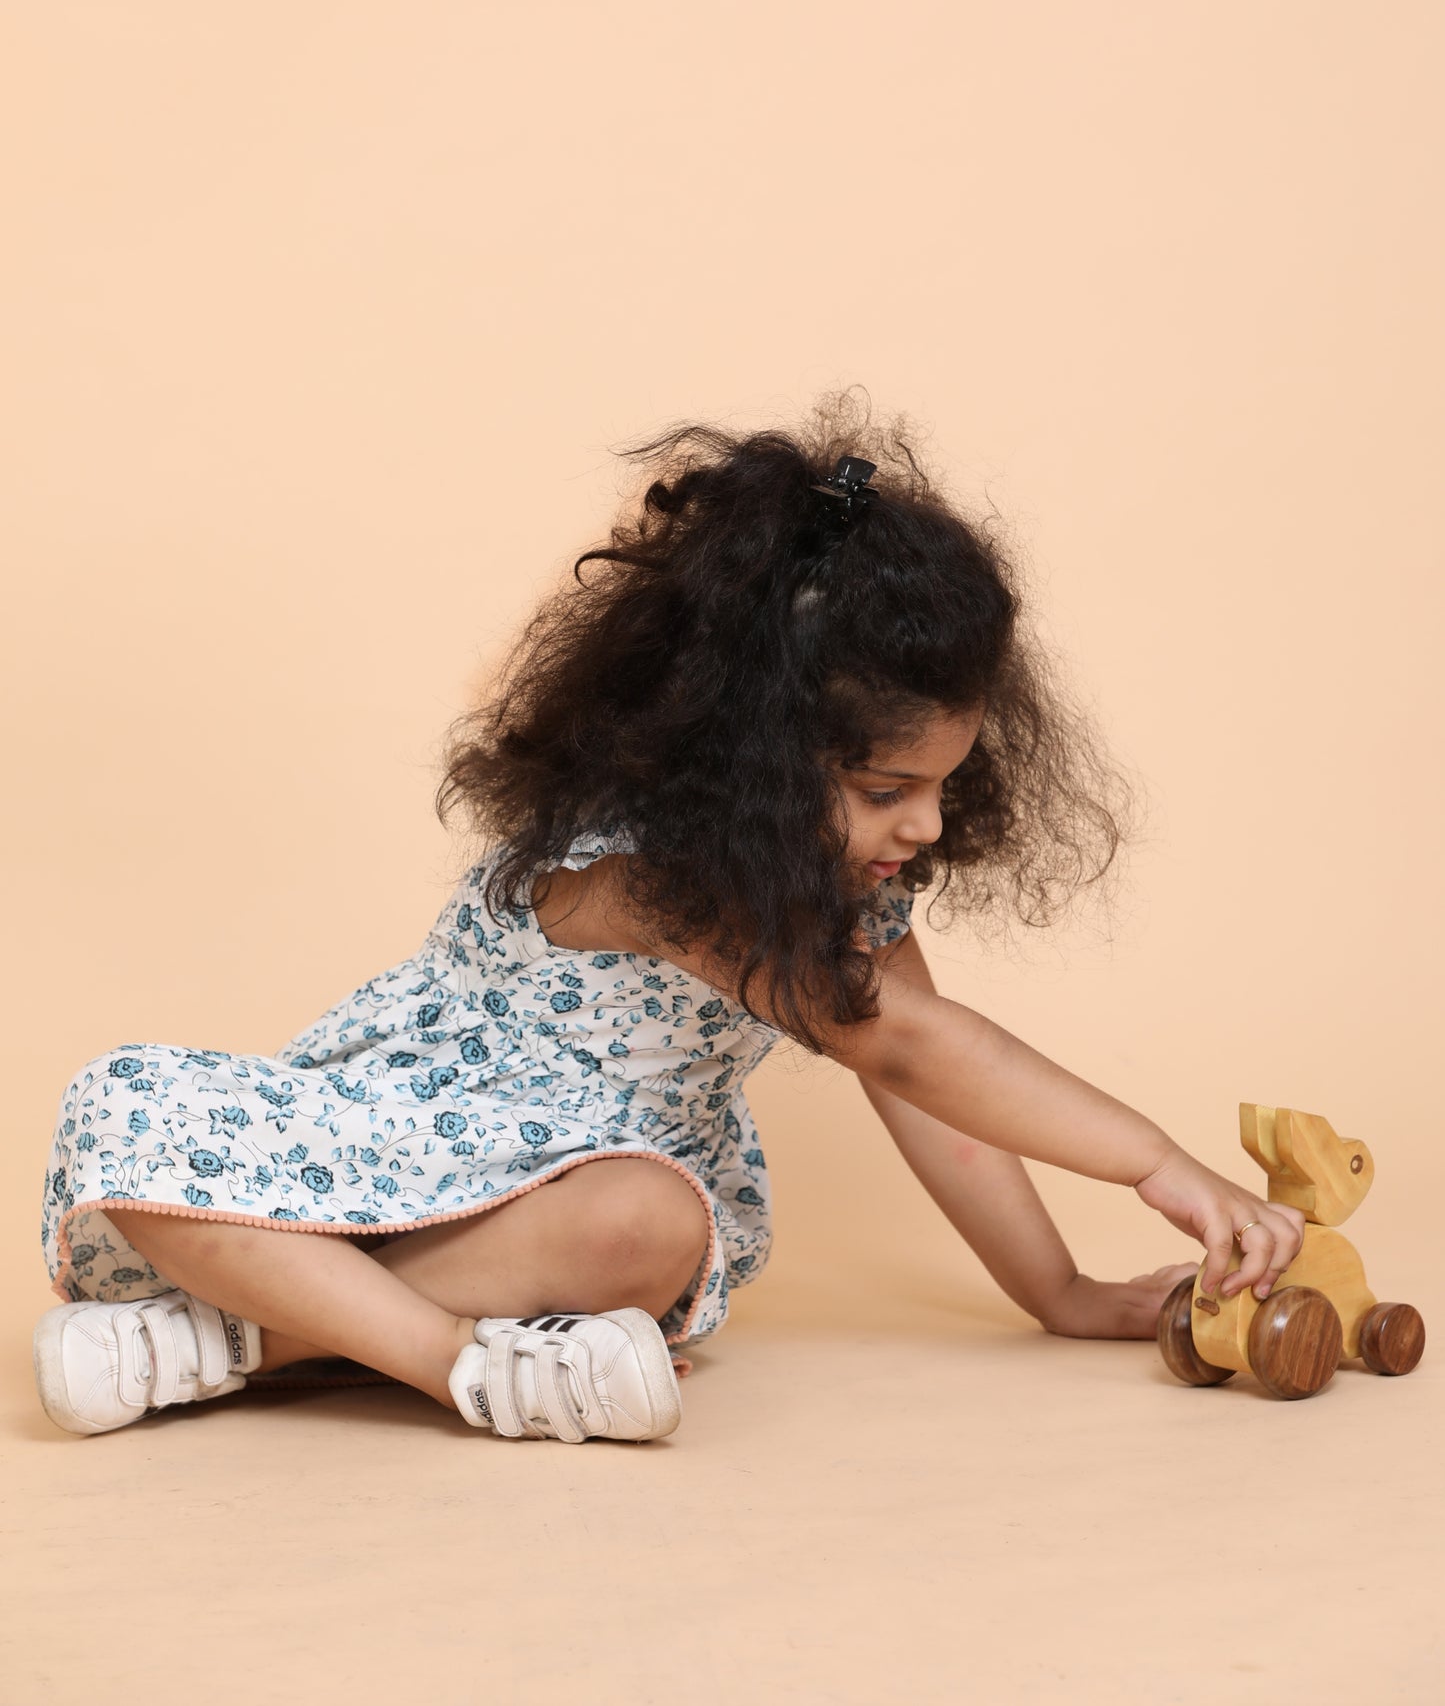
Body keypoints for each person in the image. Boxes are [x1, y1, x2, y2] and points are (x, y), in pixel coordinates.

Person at [34, 400, 1307, 1443]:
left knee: (651, 1223)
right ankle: (457, 1366)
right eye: (885, 790)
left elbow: (928, 1088)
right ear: (750, 763)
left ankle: (225, 1341)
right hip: (403, 1156)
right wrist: (1155, 1164)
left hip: (563, 1212)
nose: (923, 824)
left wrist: (1059, 1291)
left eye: (939, 786)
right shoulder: (650, 879)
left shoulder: (847, 886)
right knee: (122, 1108)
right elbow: (910, 1049)